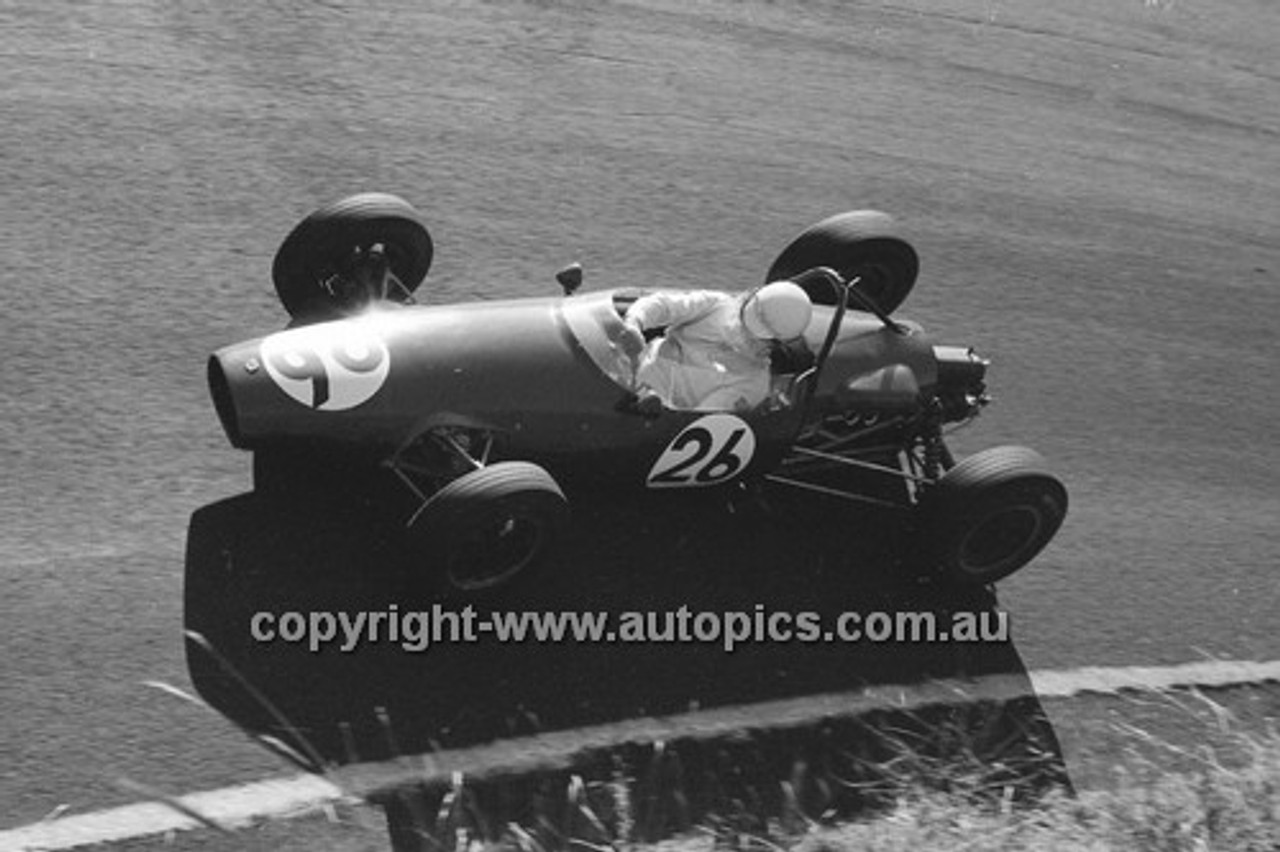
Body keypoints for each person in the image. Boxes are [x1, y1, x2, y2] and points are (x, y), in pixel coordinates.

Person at [618, 281, 813, 412]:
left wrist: (658, 412)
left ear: (775, 344)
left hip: (655, 413)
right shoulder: (716, 304)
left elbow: (699, 420)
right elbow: (664, 305)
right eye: (745, 319)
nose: (743, 329)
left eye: (754, 333)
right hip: (630, 373)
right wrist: (634, 323)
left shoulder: (753, 384)